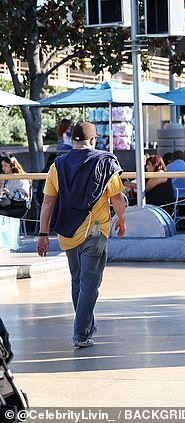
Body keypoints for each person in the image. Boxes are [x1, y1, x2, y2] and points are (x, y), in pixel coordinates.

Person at [37, 122, 126, 348]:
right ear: (94, 140)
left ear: (72, 140)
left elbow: (48, 201)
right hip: (95, 231)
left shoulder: (57, 165)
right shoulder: (106, 162)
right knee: (90, 284)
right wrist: (122, 221)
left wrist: (43, 233)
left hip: (67, 232)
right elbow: (117, 199)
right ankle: (81, 334)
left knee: (77, 280)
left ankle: (86, 325)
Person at [0, 154, 31, 218]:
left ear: (12, 166)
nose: (3, 168)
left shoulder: (21, 179)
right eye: (2, 166)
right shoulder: (4, 178)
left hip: (19, 206)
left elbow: (24, 196)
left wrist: (9, 193)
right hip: (7, 204)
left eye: (5, 166)